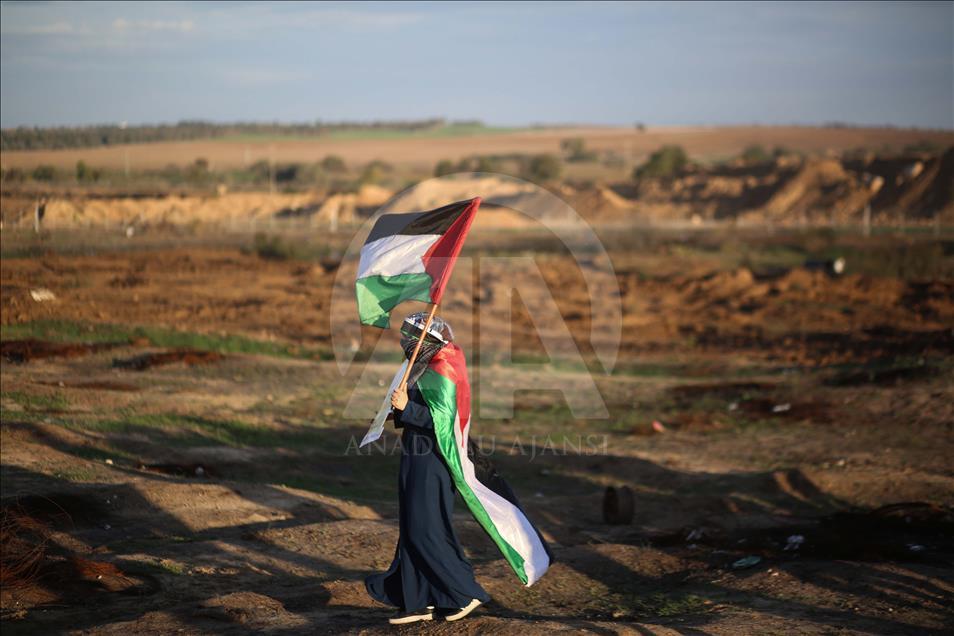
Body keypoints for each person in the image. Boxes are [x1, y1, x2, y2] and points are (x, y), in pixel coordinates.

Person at [364, 312, 491, 625]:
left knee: (426, 529)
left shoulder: (443, 369)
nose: (406, 341)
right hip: (414, 455)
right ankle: (418, 600)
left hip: (433, 460)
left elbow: (445, 423)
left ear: (429, 341)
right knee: (412, 527)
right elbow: (426, 411)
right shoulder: (423, 367)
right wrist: (395, 416)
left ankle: (463, 593)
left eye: (412, 336)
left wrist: (408, 408)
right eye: (406, 335)